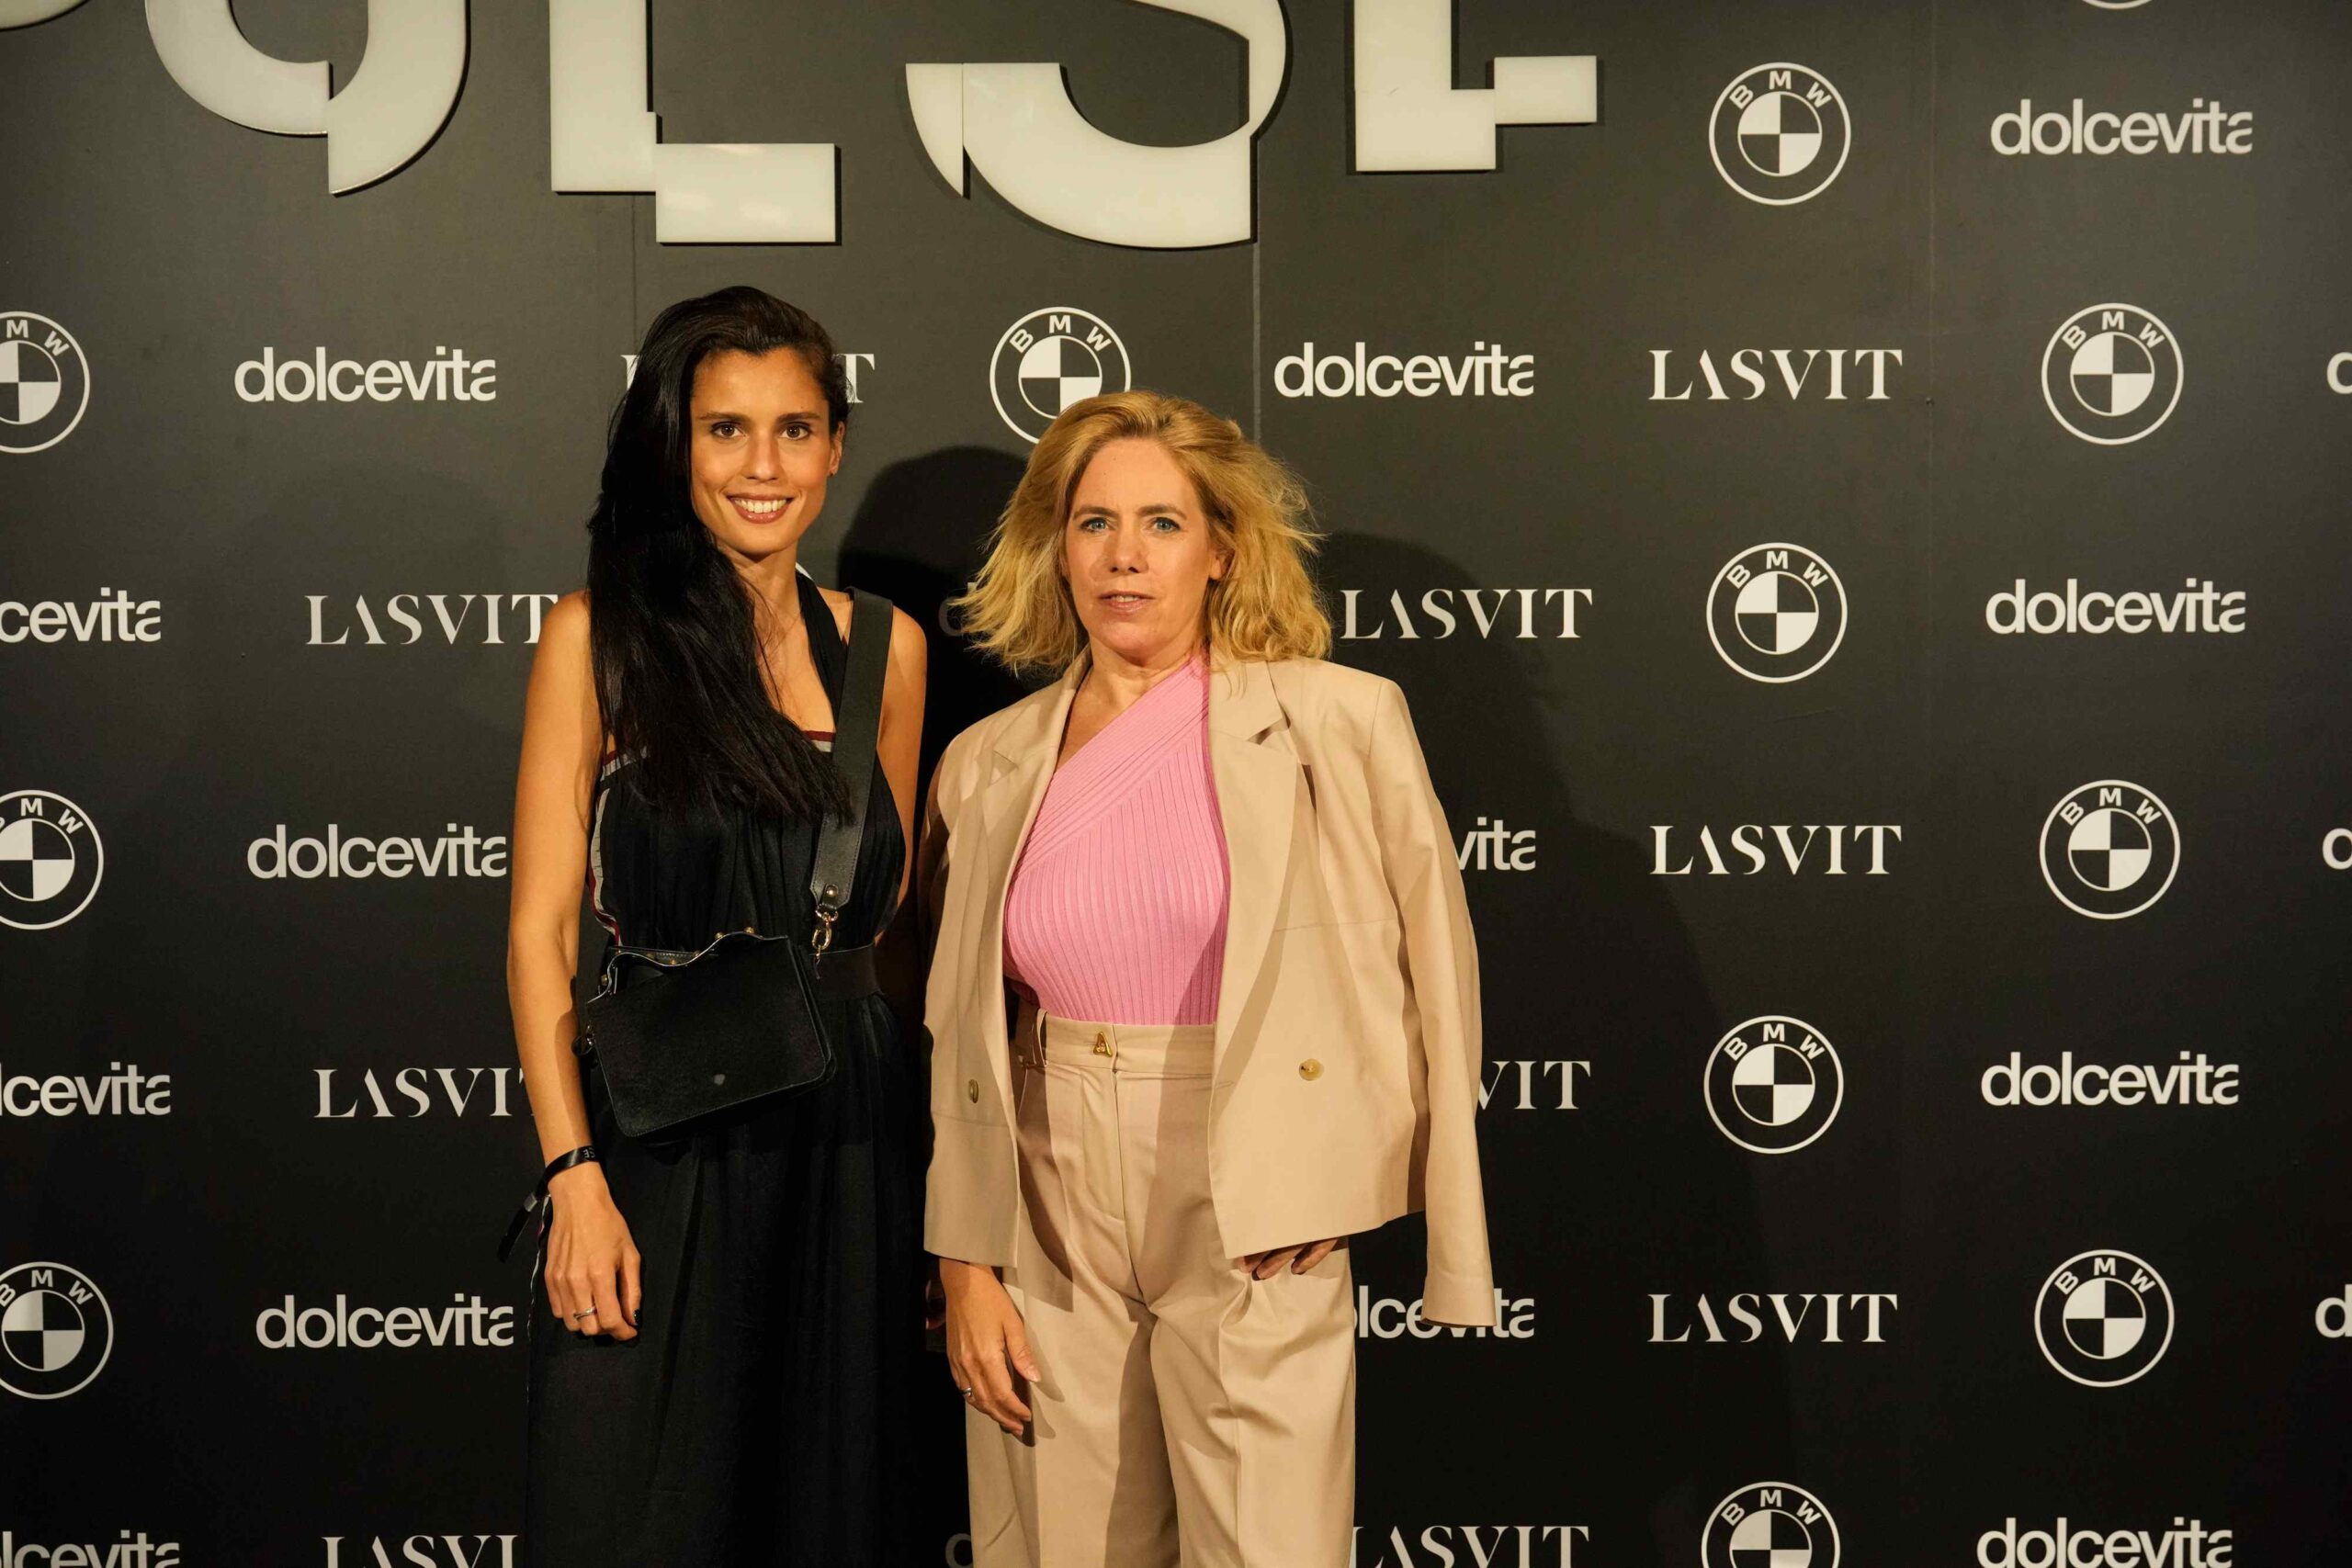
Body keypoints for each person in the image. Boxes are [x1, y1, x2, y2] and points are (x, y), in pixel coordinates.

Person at [921, 389, 1494, 1567]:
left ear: (1222, 547)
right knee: (1064, 1545)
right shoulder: (986, 762)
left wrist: (1337, 1169)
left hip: (1253, 1182)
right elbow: (959, 1033)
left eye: (1163, 524)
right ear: (1055, 547)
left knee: (1267, 1546)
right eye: (1093, 523)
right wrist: (965, 1257)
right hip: (1044, 1190)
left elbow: (1433, 973)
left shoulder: (1339, 720)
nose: (1123, 556)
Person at [505, 286, 929, 1566]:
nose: (763, 467)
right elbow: (539, 934)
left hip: (851, 1138)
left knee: (829, 1512)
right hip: (662, 1135)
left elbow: (893, 932)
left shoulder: (887, 651)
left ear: (836, 444)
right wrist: (573, 1176)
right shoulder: (599, 637)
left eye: (794, 429)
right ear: (674, 444)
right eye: (725, 429)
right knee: (642, 1512)